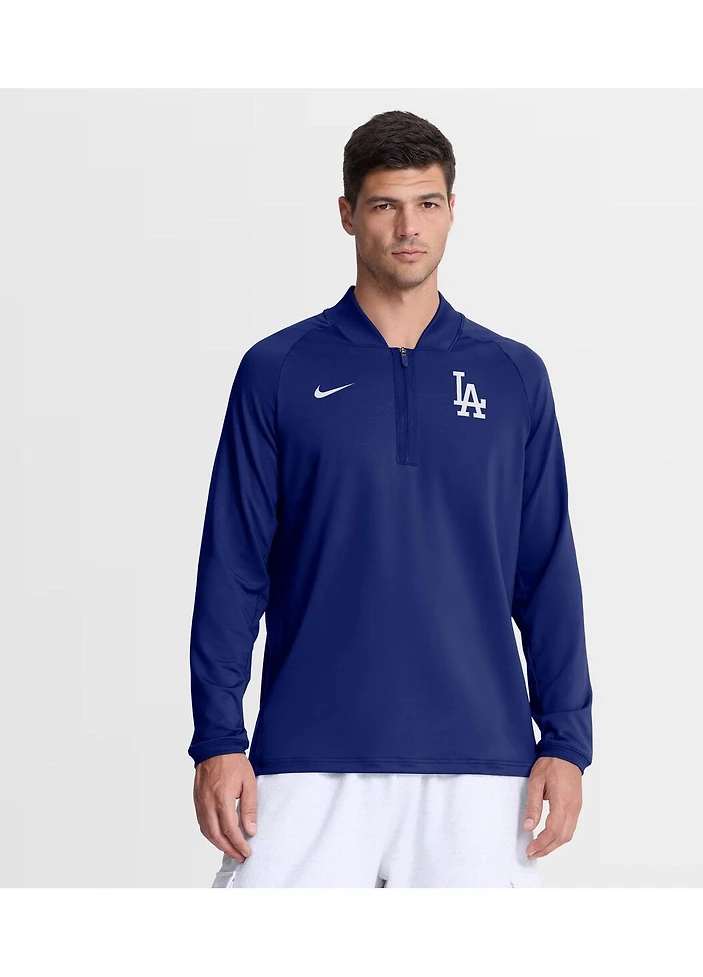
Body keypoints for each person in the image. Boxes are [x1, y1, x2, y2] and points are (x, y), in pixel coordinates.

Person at [188, 109, 593, 888]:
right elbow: (233, 566)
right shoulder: (278, 369)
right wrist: (217, 738)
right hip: (307, 755)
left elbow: (545, 570)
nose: (409, 227)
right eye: (385, 205)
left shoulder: (513, 376)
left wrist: (567, 741)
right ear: (348, 214)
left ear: (452, 210)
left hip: (482, 763)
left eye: (428, 203)